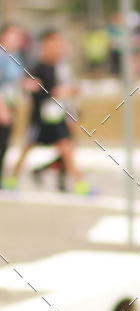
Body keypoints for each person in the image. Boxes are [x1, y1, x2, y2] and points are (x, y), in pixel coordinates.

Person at [8, 29, 91, 194]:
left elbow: (67, 89)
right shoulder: (37, 67)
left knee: (67, 148)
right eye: (54, 44)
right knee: (27, 147)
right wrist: (51, 90)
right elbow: (33, 87)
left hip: (56, 116)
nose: (58, 48)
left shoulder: (59, 67)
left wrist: (69, 92)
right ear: (45, 46)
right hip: (39, 118)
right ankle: (11, 179)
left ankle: (80, 185)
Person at [0, 23, 25, 187]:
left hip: (10, 106)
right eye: (13, 35)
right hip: (2, 107)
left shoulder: (15, 56)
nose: (17, 40)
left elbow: (15, 81)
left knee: (5, 143)